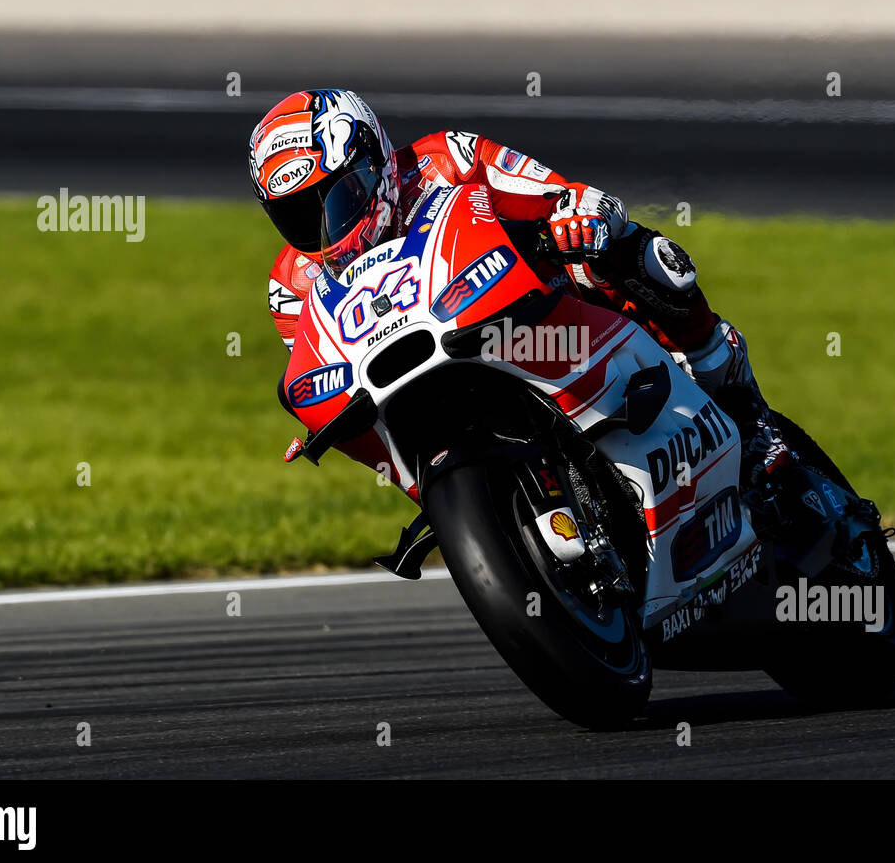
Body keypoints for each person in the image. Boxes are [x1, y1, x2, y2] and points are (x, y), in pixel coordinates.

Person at [250, 89, 825, 544]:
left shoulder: (444, 161)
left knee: (642, 258)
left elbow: (555, 195)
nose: (325, 229)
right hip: (432, 371)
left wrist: (574, 215)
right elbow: (325, 366)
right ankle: (498, 518)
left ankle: (746, 415)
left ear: (373, 161)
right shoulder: (290, 286)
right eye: (299, 217)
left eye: (337, 199)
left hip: (535, 312)